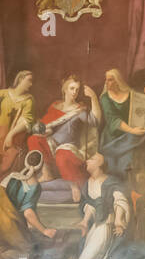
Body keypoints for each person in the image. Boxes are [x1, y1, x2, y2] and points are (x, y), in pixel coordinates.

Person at [75, 153, 145, 259]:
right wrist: (85, 222)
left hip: (108, 224)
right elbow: (91, 204)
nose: (87, 161)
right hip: (96, 225)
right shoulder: (88, 183)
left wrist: (118, 222)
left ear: (100, 164)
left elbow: (120, 201)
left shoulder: (110, 181)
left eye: (92, 159)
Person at [26, 74, 100, 203]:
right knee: (33, 139)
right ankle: (47, 173)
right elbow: (44, 126)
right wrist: (42, 129)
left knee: (62, 153)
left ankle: (74, 186)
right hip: (51, 145)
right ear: (65, 89)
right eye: (72, 88)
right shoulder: (55, 106)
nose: (75, 92)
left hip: (68, 150)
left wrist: (93, 97)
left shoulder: (79, 110)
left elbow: (95, 121)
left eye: (77, 89)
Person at [0, 150, 57, 259]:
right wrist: (45, 230)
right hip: (9, 224)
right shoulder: (34, 186)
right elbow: (28, 213)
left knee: (7, 247)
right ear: (40, 167)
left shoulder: (13, 177)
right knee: (30, 254)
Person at [98, 68, 145, 178]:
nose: (106, 82)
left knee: (127, 162)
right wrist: (132, 130)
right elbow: (113, 120)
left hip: (130, 135)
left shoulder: (130, 94)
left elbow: (141, 108)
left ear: (117, 81)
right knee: (113, 167)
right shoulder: (105, 98)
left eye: (110, 80)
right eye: (106, 80)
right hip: (113, 138)